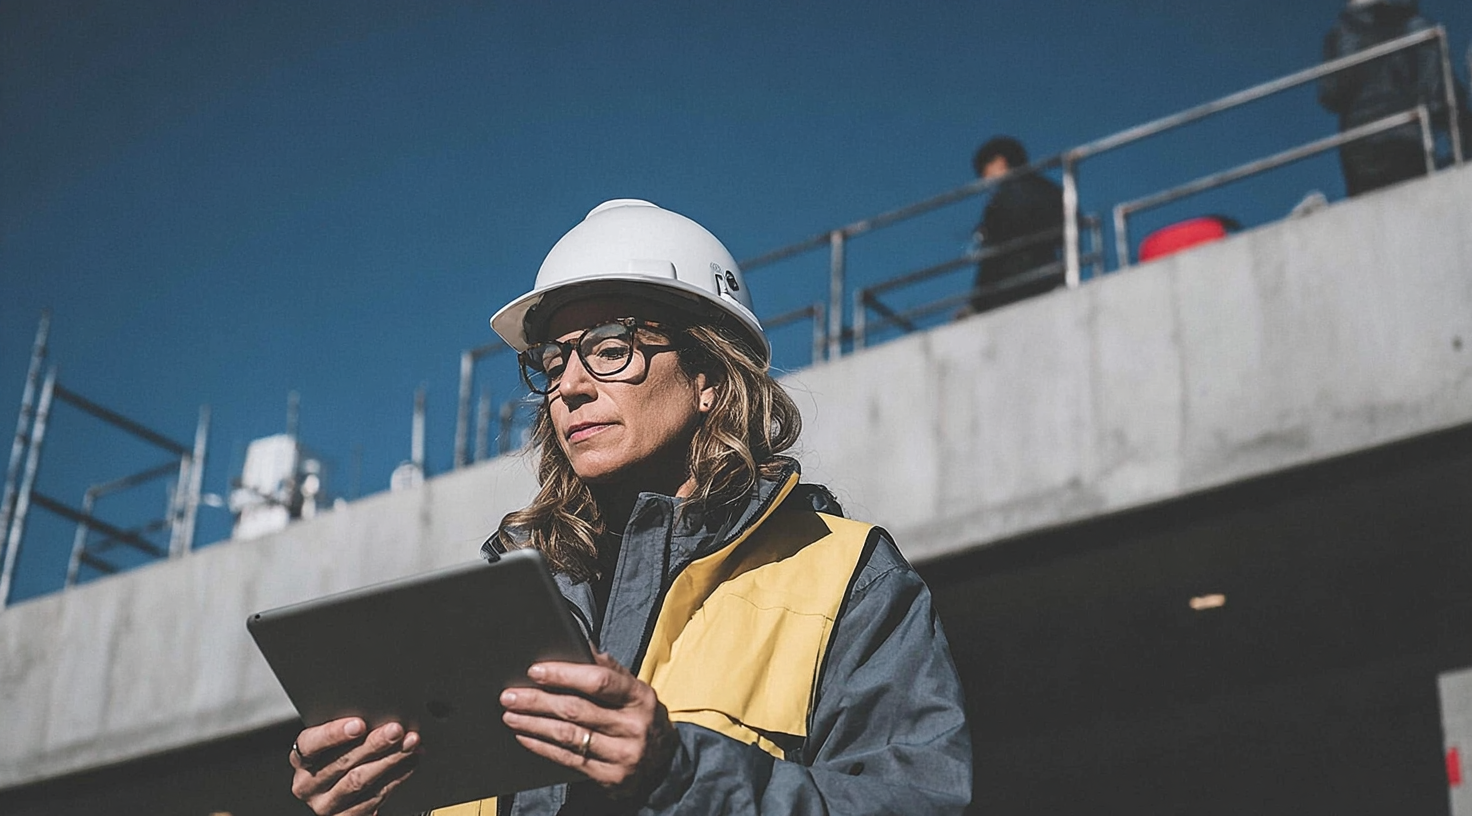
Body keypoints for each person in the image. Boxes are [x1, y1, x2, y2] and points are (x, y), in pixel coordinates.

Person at [286, 199, 973, 815]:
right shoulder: (499, 610)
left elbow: (915, 802)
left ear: (708, 376)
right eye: (553, 364)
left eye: (610, 350)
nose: (570, 387)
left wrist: (680, 774)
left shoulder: (844, 575)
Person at [1318, 0, 1466, 196]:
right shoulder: (1416, 25)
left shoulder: (1340, 33)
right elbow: (1439, 95)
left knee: (1367, 213)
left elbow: (1329, 95)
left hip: (1358, 145)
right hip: (1407, 137)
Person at [963, 136, 1066, 316]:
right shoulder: (1049, 189)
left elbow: (994, 252)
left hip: (1011, 288)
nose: (986, 179)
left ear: (1000, 162)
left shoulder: (1004, 198)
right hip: (1049, 275)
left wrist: (977, 304)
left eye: (985, 171)